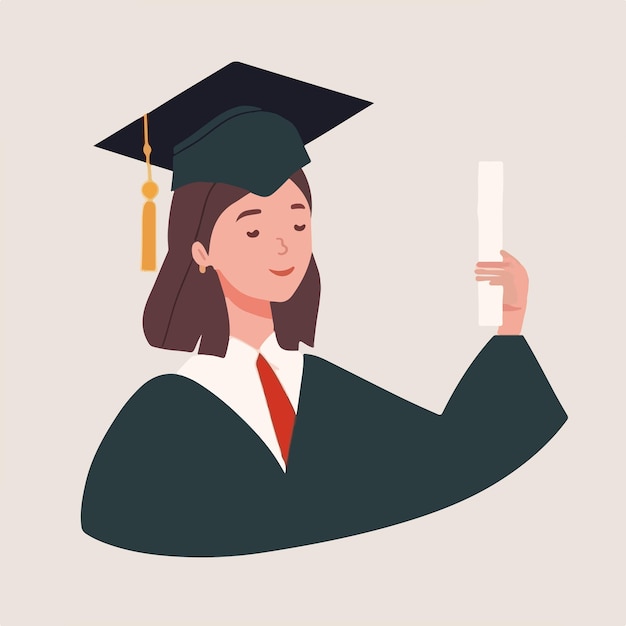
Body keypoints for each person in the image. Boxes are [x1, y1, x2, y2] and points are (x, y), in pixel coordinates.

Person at [81, 62, 567, 557]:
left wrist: (511, 328)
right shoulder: (160, 421)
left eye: (297, 224)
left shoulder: (332, 392)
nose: (282, 247)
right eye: (252, 229)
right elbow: (127, 527)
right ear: (199, 250)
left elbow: (454, 460)